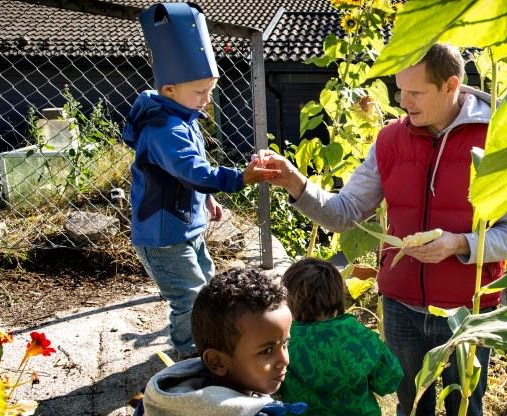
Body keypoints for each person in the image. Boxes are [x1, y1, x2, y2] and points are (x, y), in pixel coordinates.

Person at [264, 43, 507, 415]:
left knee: (465, 405)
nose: (403, 101)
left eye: (415, 92)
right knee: (410, 404)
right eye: (400, 90)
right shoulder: (390, 140)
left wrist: (458, 244)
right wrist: (296, 184)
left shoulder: (497, 140)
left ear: (451, 85)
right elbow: (345, 212)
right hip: (401, 306)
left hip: (467, 311)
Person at [121, 2, 278, 359]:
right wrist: (240, 178)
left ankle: (205, 345)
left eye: (210, 90)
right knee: (189, 298)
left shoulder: (183, 114)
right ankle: (189, 358)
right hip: (163, 236)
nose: (206, 100)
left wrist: (206, 198)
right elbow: (192, 170)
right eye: (199, 92)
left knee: (206, 289)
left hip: (185, 227)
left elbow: (186, 174)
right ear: (170, 89)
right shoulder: (165, 128)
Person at [140, 267, 306, 416]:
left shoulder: (161, 396)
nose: (284, 360)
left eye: (285, 344)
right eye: (267, 351)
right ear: (217, 362)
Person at [278, 258, 403, 415]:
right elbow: (390, 379)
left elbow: (271, 384)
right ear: (337, 295)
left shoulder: (284, 340)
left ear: (289, 299)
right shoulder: (357, 335)